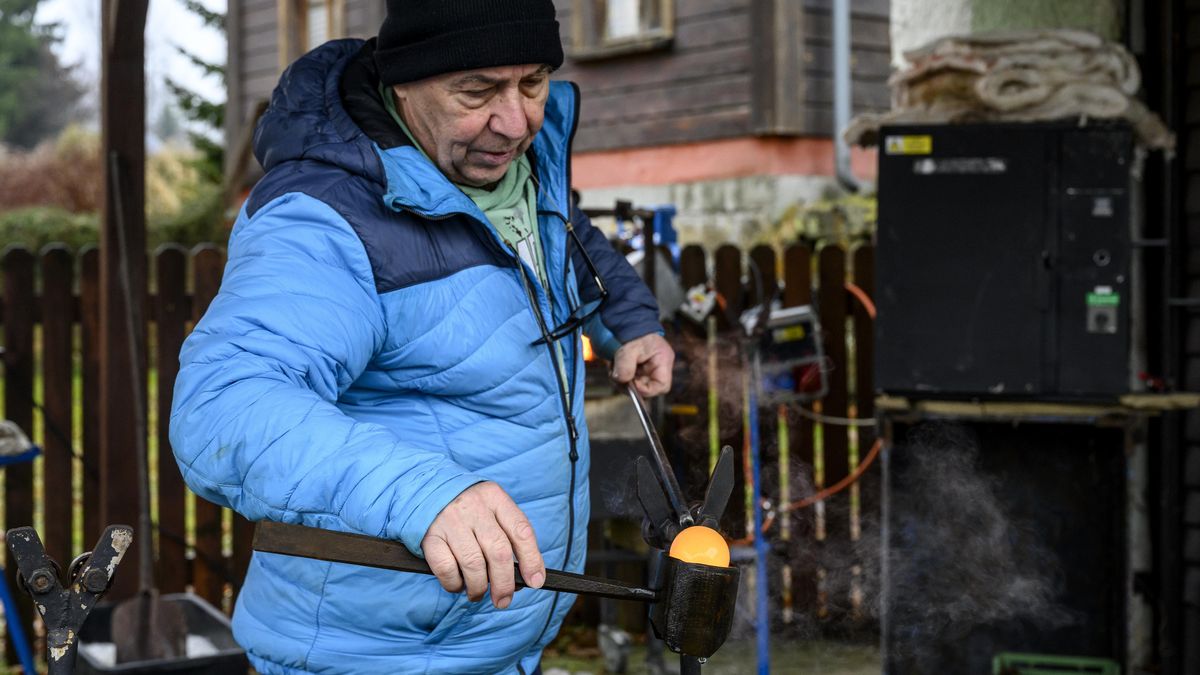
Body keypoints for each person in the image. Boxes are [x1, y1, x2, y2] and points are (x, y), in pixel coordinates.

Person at [168, 1, 674, 673]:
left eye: (533, 81)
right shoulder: (323, 216)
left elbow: (570, 246)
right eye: (479, 90)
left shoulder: (517, 167)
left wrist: (629, 324)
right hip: (373, 652)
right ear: (402, 81)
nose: (518, 120)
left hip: (494, 640)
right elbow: (222, 406)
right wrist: (418, 490)